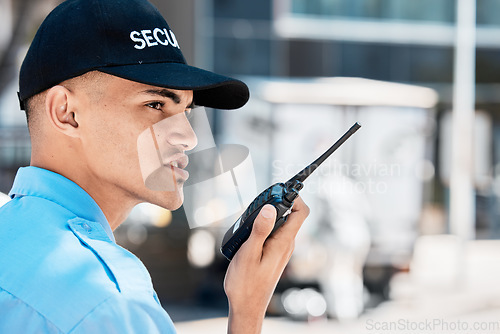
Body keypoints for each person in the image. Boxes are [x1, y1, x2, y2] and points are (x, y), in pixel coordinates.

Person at [0, 0, 309, 333]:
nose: (188, 138)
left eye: (187, 110)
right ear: (67, 113)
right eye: (155, 104)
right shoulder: (111, 300)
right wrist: (247, 312)